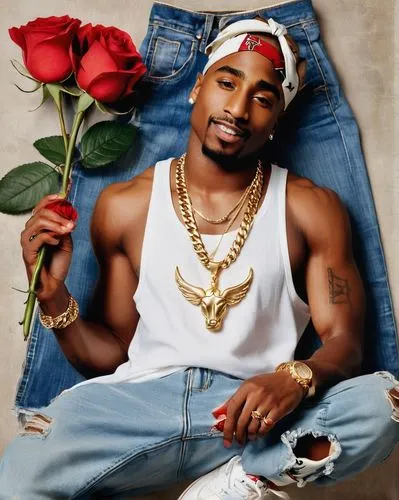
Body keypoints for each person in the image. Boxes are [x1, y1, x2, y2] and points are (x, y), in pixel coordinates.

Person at [1, 18, 398, 500]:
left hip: (253, 415)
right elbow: (110, 354)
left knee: (384, 404)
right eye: (227, 82)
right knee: (21, 470)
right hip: (136, 409)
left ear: (276, 122)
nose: (237, 107)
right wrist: (51, 296)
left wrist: (294, 378)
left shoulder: (310, 206)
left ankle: (239, 481)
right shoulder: (125, 205)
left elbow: (345, 342)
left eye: (263, 97)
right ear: (196, 88)